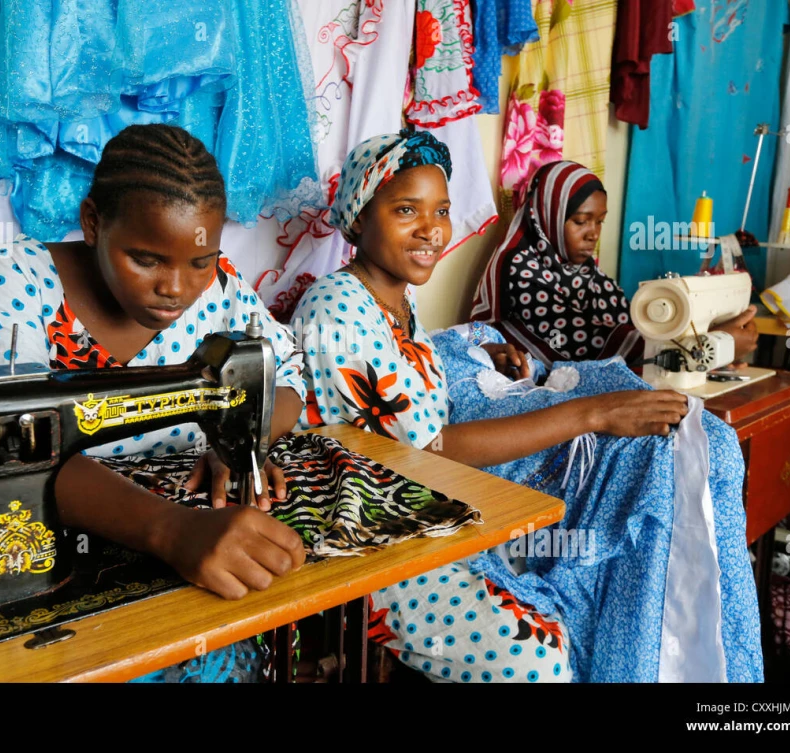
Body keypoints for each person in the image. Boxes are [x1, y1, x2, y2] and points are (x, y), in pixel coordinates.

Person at [291, 128, 727, 683]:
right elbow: (417, 454)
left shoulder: (395, 302)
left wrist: (477, 350)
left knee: (592, 554)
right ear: (358, 218)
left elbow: (403, 396)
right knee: (541, 655)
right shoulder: (335, 306)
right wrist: (593, 414)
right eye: (407, 210)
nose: (432, 230)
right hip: (377, 545)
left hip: (431, 516)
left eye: (442, 210)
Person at [0, 123, 307, 682]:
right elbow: (15, 453)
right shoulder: (14, 279)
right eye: (147, 260)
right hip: (58, 557)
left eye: (199, 261)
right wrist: (172, 532)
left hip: (196, 561)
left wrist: (243, 441)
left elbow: (287, 378)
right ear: (93, 222)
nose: (176, 287)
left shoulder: (220, 290)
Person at [469, 160, 759, 366]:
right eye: (580, 221)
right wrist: (713, 345)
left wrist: (709, 356)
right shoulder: (519, 268)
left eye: (600, 221)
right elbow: (581, 347)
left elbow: (634, 325)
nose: (593, 233)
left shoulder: (583, 272)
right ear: (548, 215)